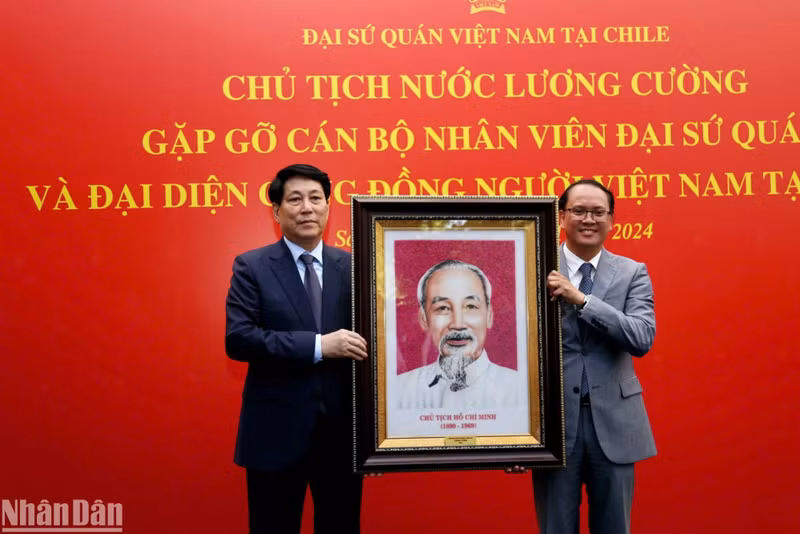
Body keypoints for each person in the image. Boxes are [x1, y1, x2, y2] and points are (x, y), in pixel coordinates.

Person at [225, 163, 367, 534]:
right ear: (276, 210)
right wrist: (320, 345)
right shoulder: (252, 267)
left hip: (342, 438)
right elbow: (239, 339)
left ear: (328, 206)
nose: (307, 207)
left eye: (316, 198)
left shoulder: (355, 266)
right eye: (295, 199)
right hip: (275, 436)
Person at [532, 179, 656, 534]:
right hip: (552, 425)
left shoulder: (633, 272)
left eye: (598, 212)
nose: (589, 219)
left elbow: (641, 337)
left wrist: (582, 300)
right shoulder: (533, 264)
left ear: (612, 220)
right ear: (562, 216)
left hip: (614, 423)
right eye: (579, 211)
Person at [395, 259, 520, 410]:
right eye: (443, 308)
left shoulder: (520, 391)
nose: (458, 324)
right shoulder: (400, 392)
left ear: (489, 316)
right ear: (424, 319)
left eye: (470, 306)